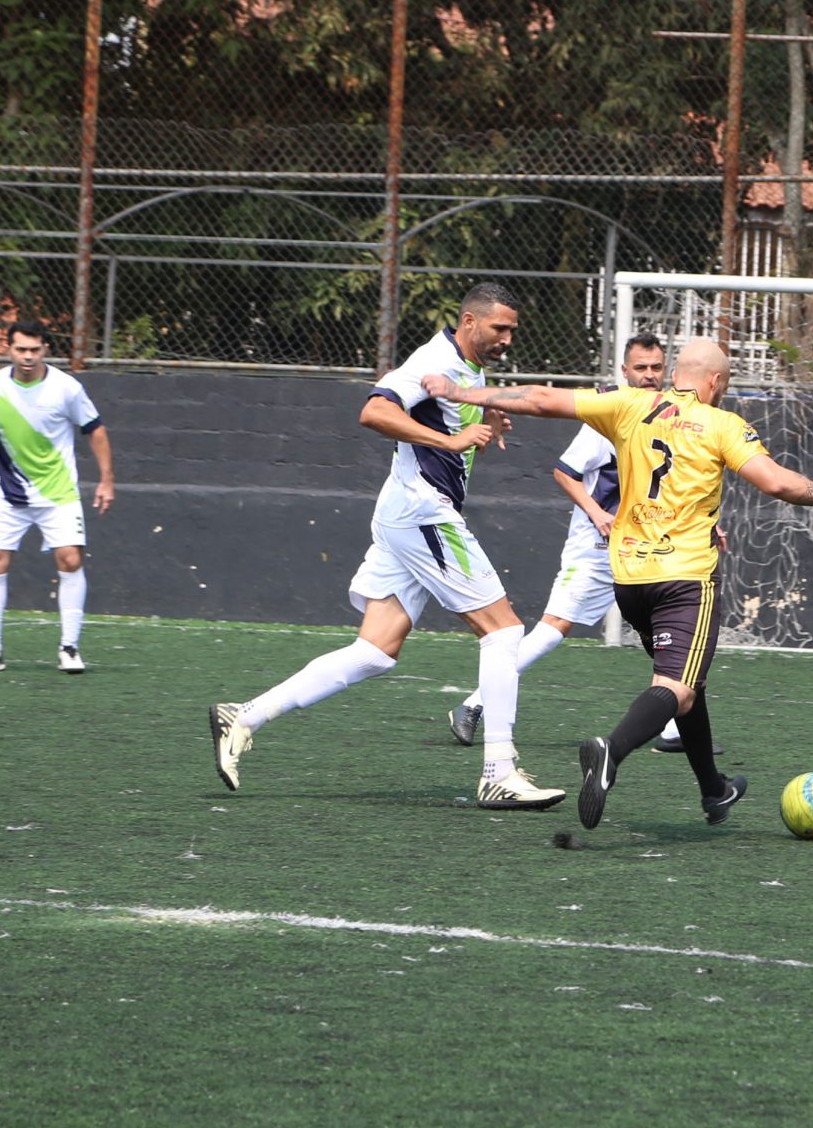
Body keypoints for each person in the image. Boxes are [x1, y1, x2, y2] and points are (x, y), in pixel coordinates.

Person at [429, 339, 813, 832]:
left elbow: (540, 398)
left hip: (630, 581)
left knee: (688, 680)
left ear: (675, 374)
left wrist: (461, 392)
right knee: (675, 687)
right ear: (717, 382)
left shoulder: (630, 404)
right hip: (685, 579)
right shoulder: (723, 424)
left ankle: (714, 789)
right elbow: (776, 482)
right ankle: (611, 752)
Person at [209, 282, 565, 810]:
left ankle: (244, 715)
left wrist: (480, 424)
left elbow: (446, 437)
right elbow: (374, 411)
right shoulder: (432, 359)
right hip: (422, 513)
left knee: (375, 651)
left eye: (512, 329)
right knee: (504, 631)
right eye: (499, 328)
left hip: (407, 514)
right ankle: (499, 770)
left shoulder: (468, 368)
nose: (507, 339)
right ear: (469, 321)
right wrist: (450, 440)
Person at [445, 333, 693, 754]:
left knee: (668, 629)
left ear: (666, 371)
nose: (649, 376)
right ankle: (472, 705)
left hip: (645, 546)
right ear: (625, 372)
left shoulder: (669, 415)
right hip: (596, 549)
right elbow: (565, 472)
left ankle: (673, 727)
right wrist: (597, 514)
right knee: (552, 630)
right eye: (640, 368)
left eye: (655, 368)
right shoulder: (608, 416)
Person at [0, 320, 113, 673]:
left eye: (34, 350)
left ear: (45, 349)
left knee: (70, 559)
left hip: (58, 491)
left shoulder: (67, 388)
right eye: (20, 349)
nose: (27, 357)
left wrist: (106, 480)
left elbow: (95, 430)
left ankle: (69, 648)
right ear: (8, 349)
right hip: (8, 493)